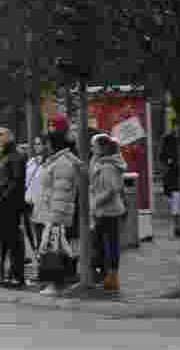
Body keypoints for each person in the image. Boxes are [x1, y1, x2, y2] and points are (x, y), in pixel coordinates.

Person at [35, 121, 84, 297]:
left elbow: (61, 191)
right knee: (57, 249)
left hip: (57, 213)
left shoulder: (62, 163)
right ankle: (59, 282)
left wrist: (54, 218)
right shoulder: (59, 160)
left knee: (53, 249)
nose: (45, 146)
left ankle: (55, 284)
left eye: (47, 142)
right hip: (55, 211)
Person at [90, 133, 126, 293]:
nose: (92, 148)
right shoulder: (100, 162)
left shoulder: (108, 166)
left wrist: (96, 201)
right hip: (102, 210)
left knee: (108, 244)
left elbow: (112, 189)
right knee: (102, 243)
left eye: (94, 146)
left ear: (102, 148)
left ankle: (110, 277)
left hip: (108, 210)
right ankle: (105, 274)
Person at [0, 128, 27, 288]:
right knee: (6, 237)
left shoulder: (15, 156)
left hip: (11, 203)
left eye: (1, 134)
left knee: (13, 238)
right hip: (5, 201)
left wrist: (5, 196)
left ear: (10, 136)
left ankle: (16, 274)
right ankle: (9, 273)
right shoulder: (6, 155)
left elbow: (16, 180)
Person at [25, 135, 47, 251]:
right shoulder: (31, 162)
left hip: (44, 202)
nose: (36, 146)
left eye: (39, 144)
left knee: (44, 231)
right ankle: (38, 253)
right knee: (35, 231)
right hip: (30, 201)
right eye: (35, 144)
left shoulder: (49, 162)